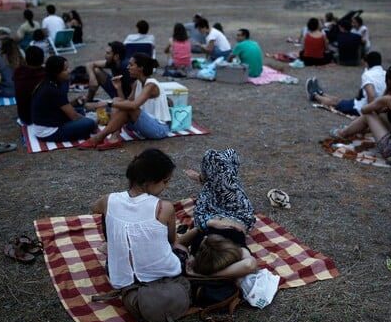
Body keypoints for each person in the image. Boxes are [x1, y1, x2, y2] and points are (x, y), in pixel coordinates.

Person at [90, 148, 184, 290]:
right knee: (183, 251)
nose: (167, 186)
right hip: (163, 274)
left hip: (119, 276)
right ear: (149, 182)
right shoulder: (164, 208)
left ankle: (112, 247)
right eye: (165, 181)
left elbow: (94, 208)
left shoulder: (108, 200)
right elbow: (171, 240)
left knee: (107, 214)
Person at [180, 148, 257, 278]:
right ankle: (205, 179)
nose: (206, 237)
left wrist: (207, 223)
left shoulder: (198, 252)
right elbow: (249, 264)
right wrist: (213, 275)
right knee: (227, 156)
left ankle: (204, 179)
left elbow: (179, 243)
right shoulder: (236, 249)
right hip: (238, 214)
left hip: (208, 214)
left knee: (212, 158)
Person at [328, 65, 391, 158]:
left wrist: (386, 93)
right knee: (382, 115)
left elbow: (364, 110)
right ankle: (356, 131)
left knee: (369, 115)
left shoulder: (390, 98)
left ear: (390, 82)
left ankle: (343, 133)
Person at [78, 53, 170, 151]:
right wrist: (119, 88)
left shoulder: (151, 85)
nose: (127, 67)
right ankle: (114, 138)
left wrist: (107, 103)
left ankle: (98, 137)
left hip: (159, 129)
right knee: (117, 100)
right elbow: (125, 103)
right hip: (143, 125)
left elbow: (133, 106)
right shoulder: (137, 83)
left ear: (141, 68)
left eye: (131, 65)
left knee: (125, 106)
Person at [30, 55, 96, 142]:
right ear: (56, 73)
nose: (69, 71)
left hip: (47, 120)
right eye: (65, 70)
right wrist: (91, 119)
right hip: (48, 131)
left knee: (81, 110)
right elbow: (74, 117)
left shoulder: (50, 82)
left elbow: (62, 106)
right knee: (90, 123)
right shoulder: (53, 89)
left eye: (68, 68)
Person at [306, 51, 386, 116]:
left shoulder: (368, 74)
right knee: (339, 100)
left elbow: (371, 94)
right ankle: (321, 93)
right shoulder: (385, 73)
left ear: (367, 63)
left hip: (361, 108)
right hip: (372, 105)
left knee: (335, 103)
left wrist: (370, 111)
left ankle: (314, 95)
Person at [13, 46, 46, 125]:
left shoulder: (18, 72)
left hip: (24, 117)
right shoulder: (48, 75)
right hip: (43, 118)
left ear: (26, 59)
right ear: (42, 59)